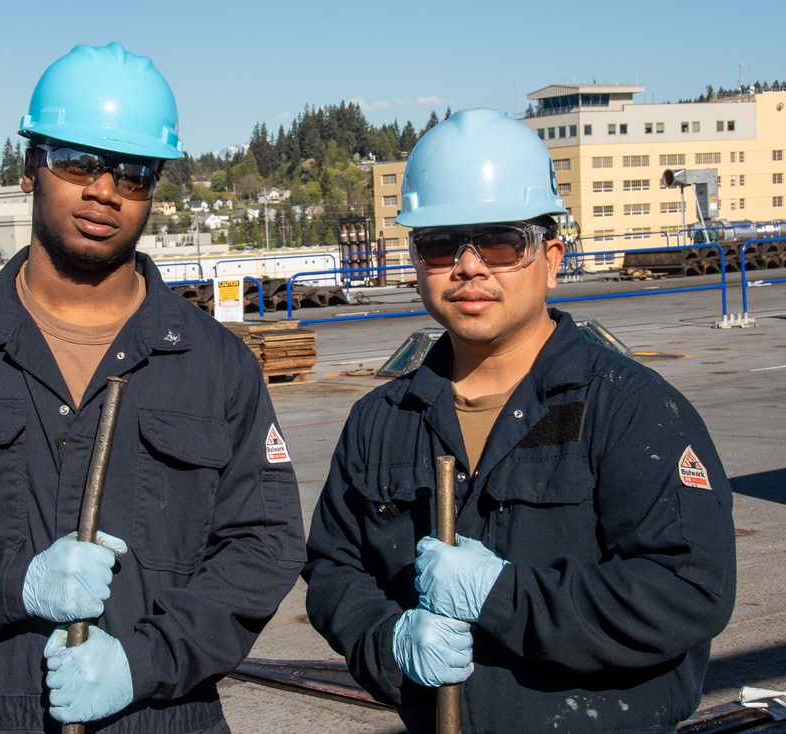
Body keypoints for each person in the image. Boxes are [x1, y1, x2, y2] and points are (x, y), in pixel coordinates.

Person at [0, 42, 306, 734]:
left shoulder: (217, 366)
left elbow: (264, 546)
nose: (105, 190)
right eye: (79, 162)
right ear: (31, 167)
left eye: (132, 172)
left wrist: (144, 661)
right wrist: (16, 582)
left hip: (167, 713)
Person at [303, 108, 736, 734]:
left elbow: (687, 588)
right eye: (441, 244)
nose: (469, 266)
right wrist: (391, 643)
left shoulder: (631, 410)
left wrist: (500, 596)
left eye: (501, 242)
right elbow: (333, 570)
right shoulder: (382, 421)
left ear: (552, 256)